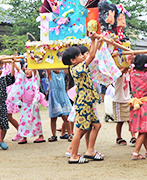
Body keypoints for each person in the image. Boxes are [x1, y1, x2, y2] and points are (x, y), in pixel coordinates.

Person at [62, 33, 104, 164]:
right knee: (80, 129)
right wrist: (93, 40)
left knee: (96, 125)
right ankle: (73, 155)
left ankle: (89, 151)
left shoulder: (77, 66)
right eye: (80, 55)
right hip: (83, 101)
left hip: (87, 101)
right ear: (73, 60)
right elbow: (91, 55)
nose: (82, 56)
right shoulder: (76, 68)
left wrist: (96, 41)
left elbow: (93, 54)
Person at [7, 67, 47, 144]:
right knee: (23, 120)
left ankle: (41, 136)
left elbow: (35, 70)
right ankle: (24, 137)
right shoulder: (24, 79)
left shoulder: (35, 79)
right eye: (26, 69)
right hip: (25, 104)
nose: (27, 71)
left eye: (30, 69)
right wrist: (14, 63)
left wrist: (33, 63)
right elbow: (20, 71)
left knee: (35, 120)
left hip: (33, 104)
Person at [112, 67, 136, 147]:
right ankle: (118, 137)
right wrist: (126, 66)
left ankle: (133, 137)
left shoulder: (127, 73)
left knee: (130, 120)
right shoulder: (117, 73)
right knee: (120, 121)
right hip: (119, 100)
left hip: (127, 99)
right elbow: (120, 72)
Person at [46, 69, 72, 142]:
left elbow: (67, 66)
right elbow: (47, 67)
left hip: (62, 97)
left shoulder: (62, 73)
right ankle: (54, 135)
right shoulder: (50, 73)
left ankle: (70, 134)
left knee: (65, 116)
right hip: (54, 98)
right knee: (53, 118)